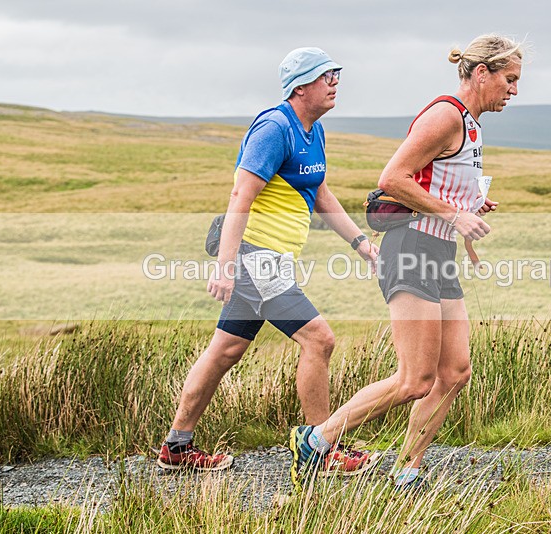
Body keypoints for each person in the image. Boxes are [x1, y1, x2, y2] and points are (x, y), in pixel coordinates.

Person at [289, 34, 523, 492]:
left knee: (454, 372)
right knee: (414, 379)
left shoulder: (473, 125)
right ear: (482, 73)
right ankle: (315, 441)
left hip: (439, 254)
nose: (514, 90)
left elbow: (432, 183)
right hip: (410, 250)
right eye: (509, 79)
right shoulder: (445, 115)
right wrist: (453, 213)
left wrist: (468, 204)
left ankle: (406, 469)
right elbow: (391, 179)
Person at [158, 47, 379, 472]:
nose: (335, 81)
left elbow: (320, 193)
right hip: (256, 258)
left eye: (336, 74)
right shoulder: (274, 128)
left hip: (268, 261)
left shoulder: (312, 132)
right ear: (300, 87)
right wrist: (225, 266)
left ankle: (177, 447)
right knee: (320, 339)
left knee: (226, 350)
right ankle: (321, 448)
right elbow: (241, 194)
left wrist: (360, 244)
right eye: (325, 76)